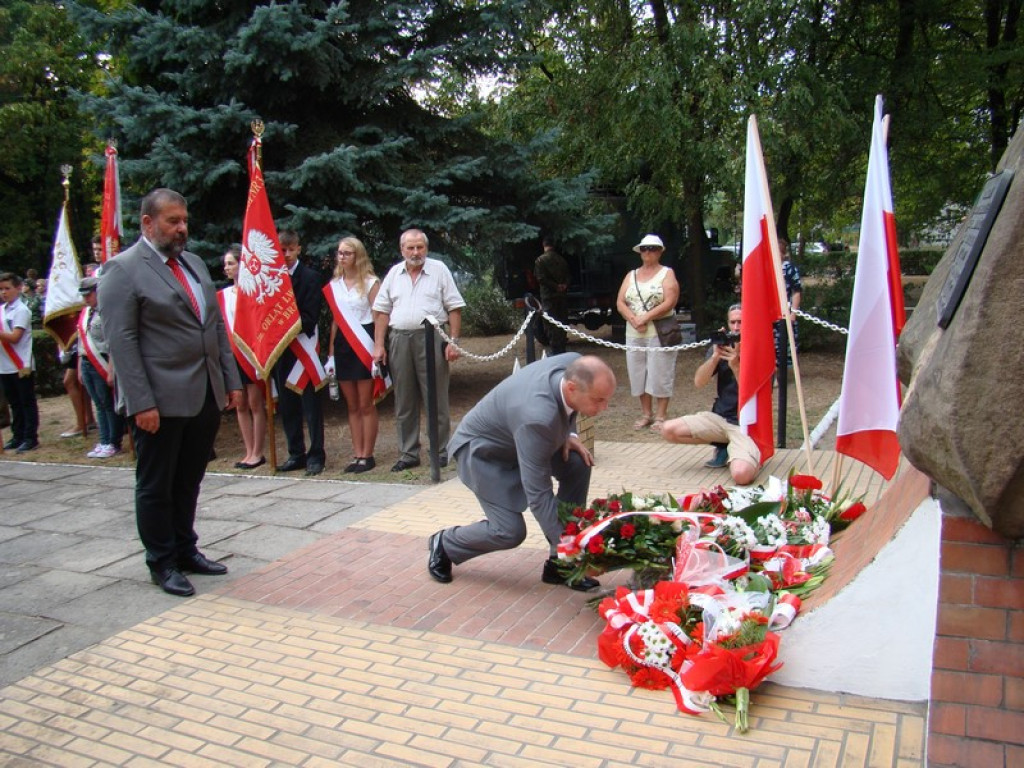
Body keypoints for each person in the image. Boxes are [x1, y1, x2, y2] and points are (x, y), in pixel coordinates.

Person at [99, 188, 242, 597]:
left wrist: (229, 381)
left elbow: (214, 327)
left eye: (184, 221)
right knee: (156, 483)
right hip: (158, 400)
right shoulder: (122, 270)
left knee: (189, 479)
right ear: (148, 223)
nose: (182, 229)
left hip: (203, 394)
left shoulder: (193, 264)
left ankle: (185, 548)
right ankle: (161, 561)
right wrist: (141, 401)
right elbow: (122, 343)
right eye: (172, 221)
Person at [427, 354, 615, 590]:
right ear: (571, 388)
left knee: (577, 464)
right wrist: (577, 553)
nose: (604, 408)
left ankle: (560, 565)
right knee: (509, 531)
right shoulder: (537, 417)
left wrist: (570, 434)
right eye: (598, 400)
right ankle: (445, 543)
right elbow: (539, 496)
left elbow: (568, 407)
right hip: (485, 452)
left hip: (522, 437)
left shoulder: (576, 365)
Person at [372, 228, 465, 472]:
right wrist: (379, 344)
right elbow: (382, 311)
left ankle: (440, 449)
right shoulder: (394, 273)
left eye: (420, 247)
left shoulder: (439, 270)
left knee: (436, 396)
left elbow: (455, 307)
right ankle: (408, 452)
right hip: (400, 339)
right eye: (410, 248)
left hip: (432, 338)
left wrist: (453, 342)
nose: (415, 252)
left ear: (426, 248)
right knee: (404, 399)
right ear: (402, 250)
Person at [660, 304, 759, 485]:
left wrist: (736, 365)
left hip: (745, 424)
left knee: (741, 475)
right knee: (667, 430)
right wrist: (714, 358)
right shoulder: (723, 345)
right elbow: (699, 382)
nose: (736, 327)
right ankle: (724, 446)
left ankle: (741, 452)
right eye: (733, 322)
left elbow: (754, 393)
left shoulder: (758, 347)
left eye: (741, 322)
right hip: (719, 418)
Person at [271, 230, 326, 476]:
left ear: (298, 249)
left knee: (311, 407)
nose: (286, 255)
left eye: (290, 249)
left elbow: (310, 316)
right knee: (287, 405)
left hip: (304, 348)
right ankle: (296, 453)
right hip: (282, 351)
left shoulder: (310, 277)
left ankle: (316, 455)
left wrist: (283, 326)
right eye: (281, 250)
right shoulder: (272, 279)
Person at [324, 236, 381, 473]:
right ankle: (357, 453)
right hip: (344, 346)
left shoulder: (370, 282)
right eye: (340, 253)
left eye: (347, 253)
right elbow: (336, 321)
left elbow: (379, 316)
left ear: (358, 255)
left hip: (365, 341)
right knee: (352, 404)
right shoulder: (334, 285)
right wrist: (331, 353)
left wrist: (379, 346)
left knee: (366, 403)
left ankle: (368, 455)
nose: (342, 257)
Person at [615, 233, 681, 433]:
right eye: (644, 248)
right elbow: (620, 302)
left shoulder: (667, 273)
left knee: (660, 372)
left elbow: (670, 301)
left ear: (660, 251)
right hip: (634, 333)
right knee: (638, 373)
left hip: (659, 332)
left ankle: (661, 415)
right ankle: (646, 413)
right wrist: (633, 319)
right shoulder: (631, 275)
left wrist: (646, 317)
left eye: (652, 248)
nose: (648, 252)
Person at [219, 244, 267, 470]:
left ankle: (258, 452)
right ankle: (247, 451)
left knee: (256, 404)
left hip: (250, 355)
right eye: (226, 264)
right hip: (233, 357)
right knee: (240, 405)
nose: (227, 268)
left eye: (231, 263)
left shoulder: (253, 294)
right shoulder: (223, 296)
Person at [77, 275, 124, 458]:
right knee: (99, 404)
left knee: (108, 403)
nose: (86, 299)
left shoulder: (107, 311)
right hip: (88, 361)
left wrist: (111, 369)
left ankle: (113, 441)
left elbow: (113, 342)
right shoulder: (86, 313)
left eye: (89, 295)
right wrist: (81, 367)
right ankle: (104, 439)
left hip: (103, 361)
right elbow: (82, 342)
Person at [0, 272, 40, 452]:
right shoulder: (2, 310)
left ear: (18, 288)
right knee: (14, 402)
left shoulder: (22, 310)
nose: (3, 292)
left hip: (21, 363)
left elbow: (15, 337)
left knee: (26, 401)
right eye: (1, 289)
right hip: (5, 364)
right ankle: (18, 435)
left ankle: (30, 437)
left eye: (7, 288)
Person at [534, 236, 571, 354]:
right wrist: (564, 285)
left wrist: (555, 287)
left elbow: (541, 278)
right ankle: (562, 346)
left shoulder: (540, 261)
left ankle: (555, 349)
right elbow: (569, 276)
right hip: (562, 296)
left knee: (550, 323)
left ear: (544, 245)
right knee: (562, 321)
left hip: (548, 297)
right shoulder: (561, 260)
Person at [774, 238, 802, 365]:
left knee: (783, 345)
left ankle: (780, 374)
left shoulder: (789, 269)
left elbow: (796, 291)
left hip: (785, 312)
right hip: (769, 314)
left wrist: (793, 313)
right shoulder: (764, 267)